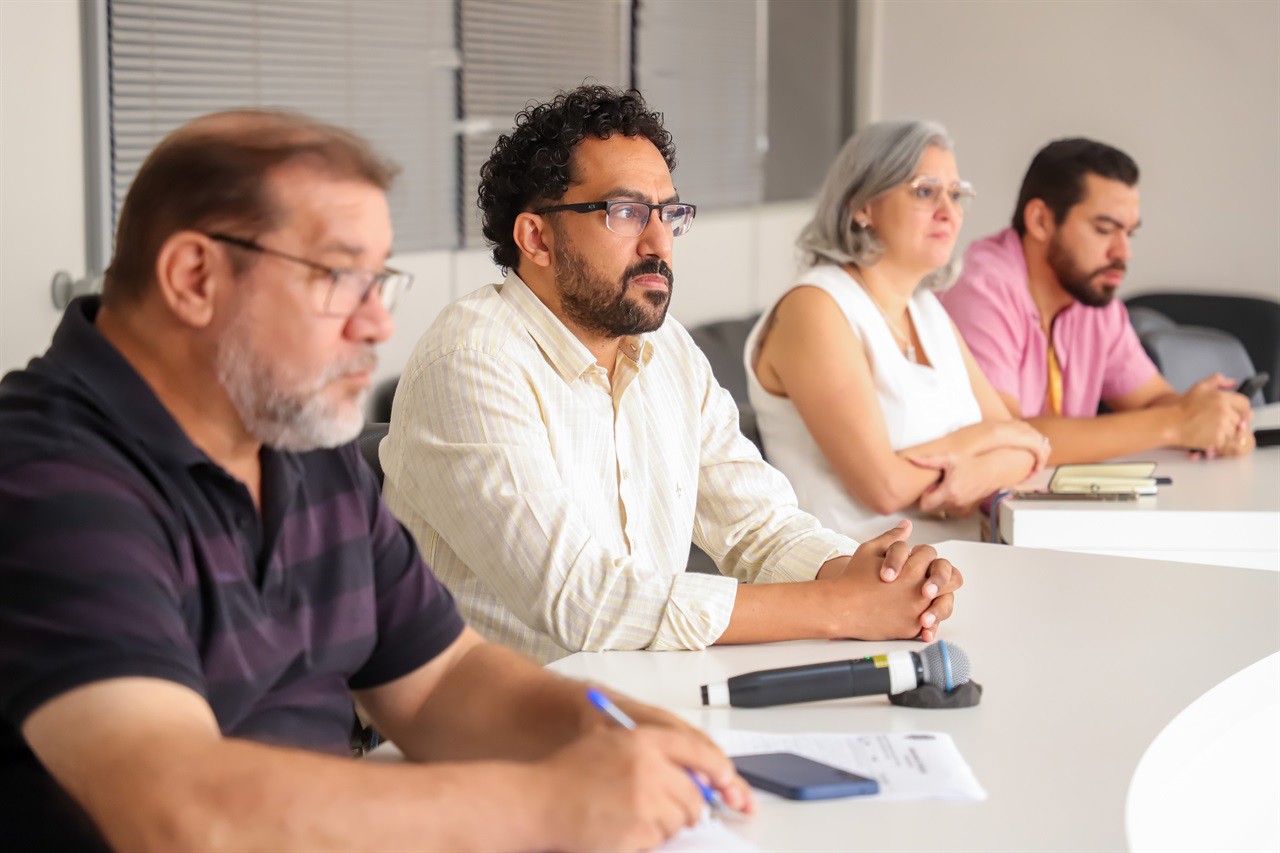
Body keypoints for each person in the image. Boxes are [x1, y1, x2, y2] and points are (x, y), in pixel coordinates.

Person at [0, 109, 754, 850]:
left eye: (379, 282)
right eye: (338, 279)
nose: (378, 325)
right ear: (195, 277)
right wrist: (545, 802)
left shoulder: (291, 432)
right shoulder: (46, 473)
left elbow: (440, 679)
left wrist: (610, 725)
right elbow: (175, 810)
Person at [380, 85, 963, 666]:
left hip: (640, 696)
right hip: (478, 728)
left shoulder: (669, 350)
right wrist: (837, 607)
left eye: (668, 214)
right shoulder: (470, 359)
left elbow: (758, 528)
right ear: (536, 237)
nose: (660, 242)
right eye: (626, 213)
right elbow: (581, 600)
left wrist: (868, 576)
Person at [745, 121, 1049, 543]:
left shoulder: (925, 310)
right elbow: (884, 489)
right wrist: (988, 439)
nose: (949, 210)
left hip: (955, 564)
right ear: (862, 205)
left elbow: (1028, 446)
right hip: (855, 578)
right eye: (925, 191)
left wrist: (975, 473)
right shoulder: (813, 307)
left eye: (956, 193)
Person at [941, 138, 1255, 462]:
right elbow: (1002, 439)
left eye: (1129, 233)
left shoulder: (1089, 294)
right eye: (1105, 229)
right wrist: (1176, 423)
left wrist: (1210, 418)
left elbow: (1151, 402)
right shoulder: (980, 289)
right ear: (1040, 221)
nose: (1123, 253)